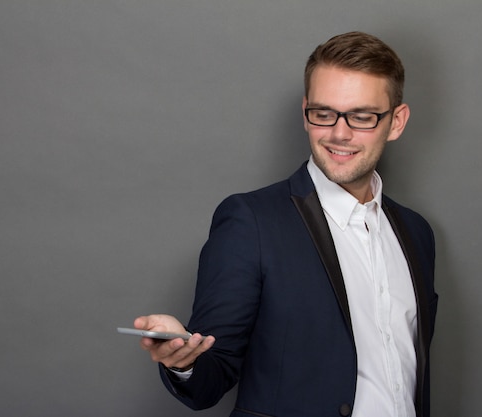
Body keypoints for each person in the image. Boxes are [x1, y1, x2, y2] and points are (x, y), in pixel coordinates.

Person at [134, 31, 438, 417]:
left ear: (396, 122)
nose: (339, 133)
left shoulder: (417, 234)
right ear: (306, 112)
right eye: (324, 114)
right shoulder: (251, 222)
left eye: (361, 116)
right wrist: (183, 360)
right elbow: (210, 379)